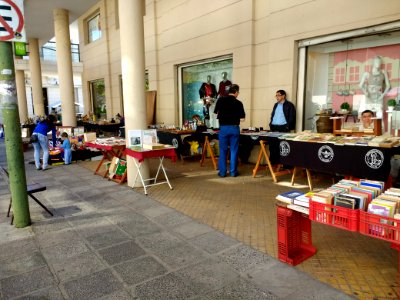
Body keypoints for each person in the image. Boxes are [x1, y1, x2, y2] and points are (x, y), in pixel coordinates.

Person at [214, 84, 245, 177]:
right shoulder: (239, 103)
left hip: (223, 128)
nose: (238, 94)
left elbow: (216, 114)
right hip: (234, 128)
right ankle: (233, 172)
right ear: (235, 92)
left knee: (223, 150)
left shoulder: (220, 100)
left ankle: (222, 172)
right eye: (238, 92)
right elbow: (242, 119)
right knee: (234, 150)